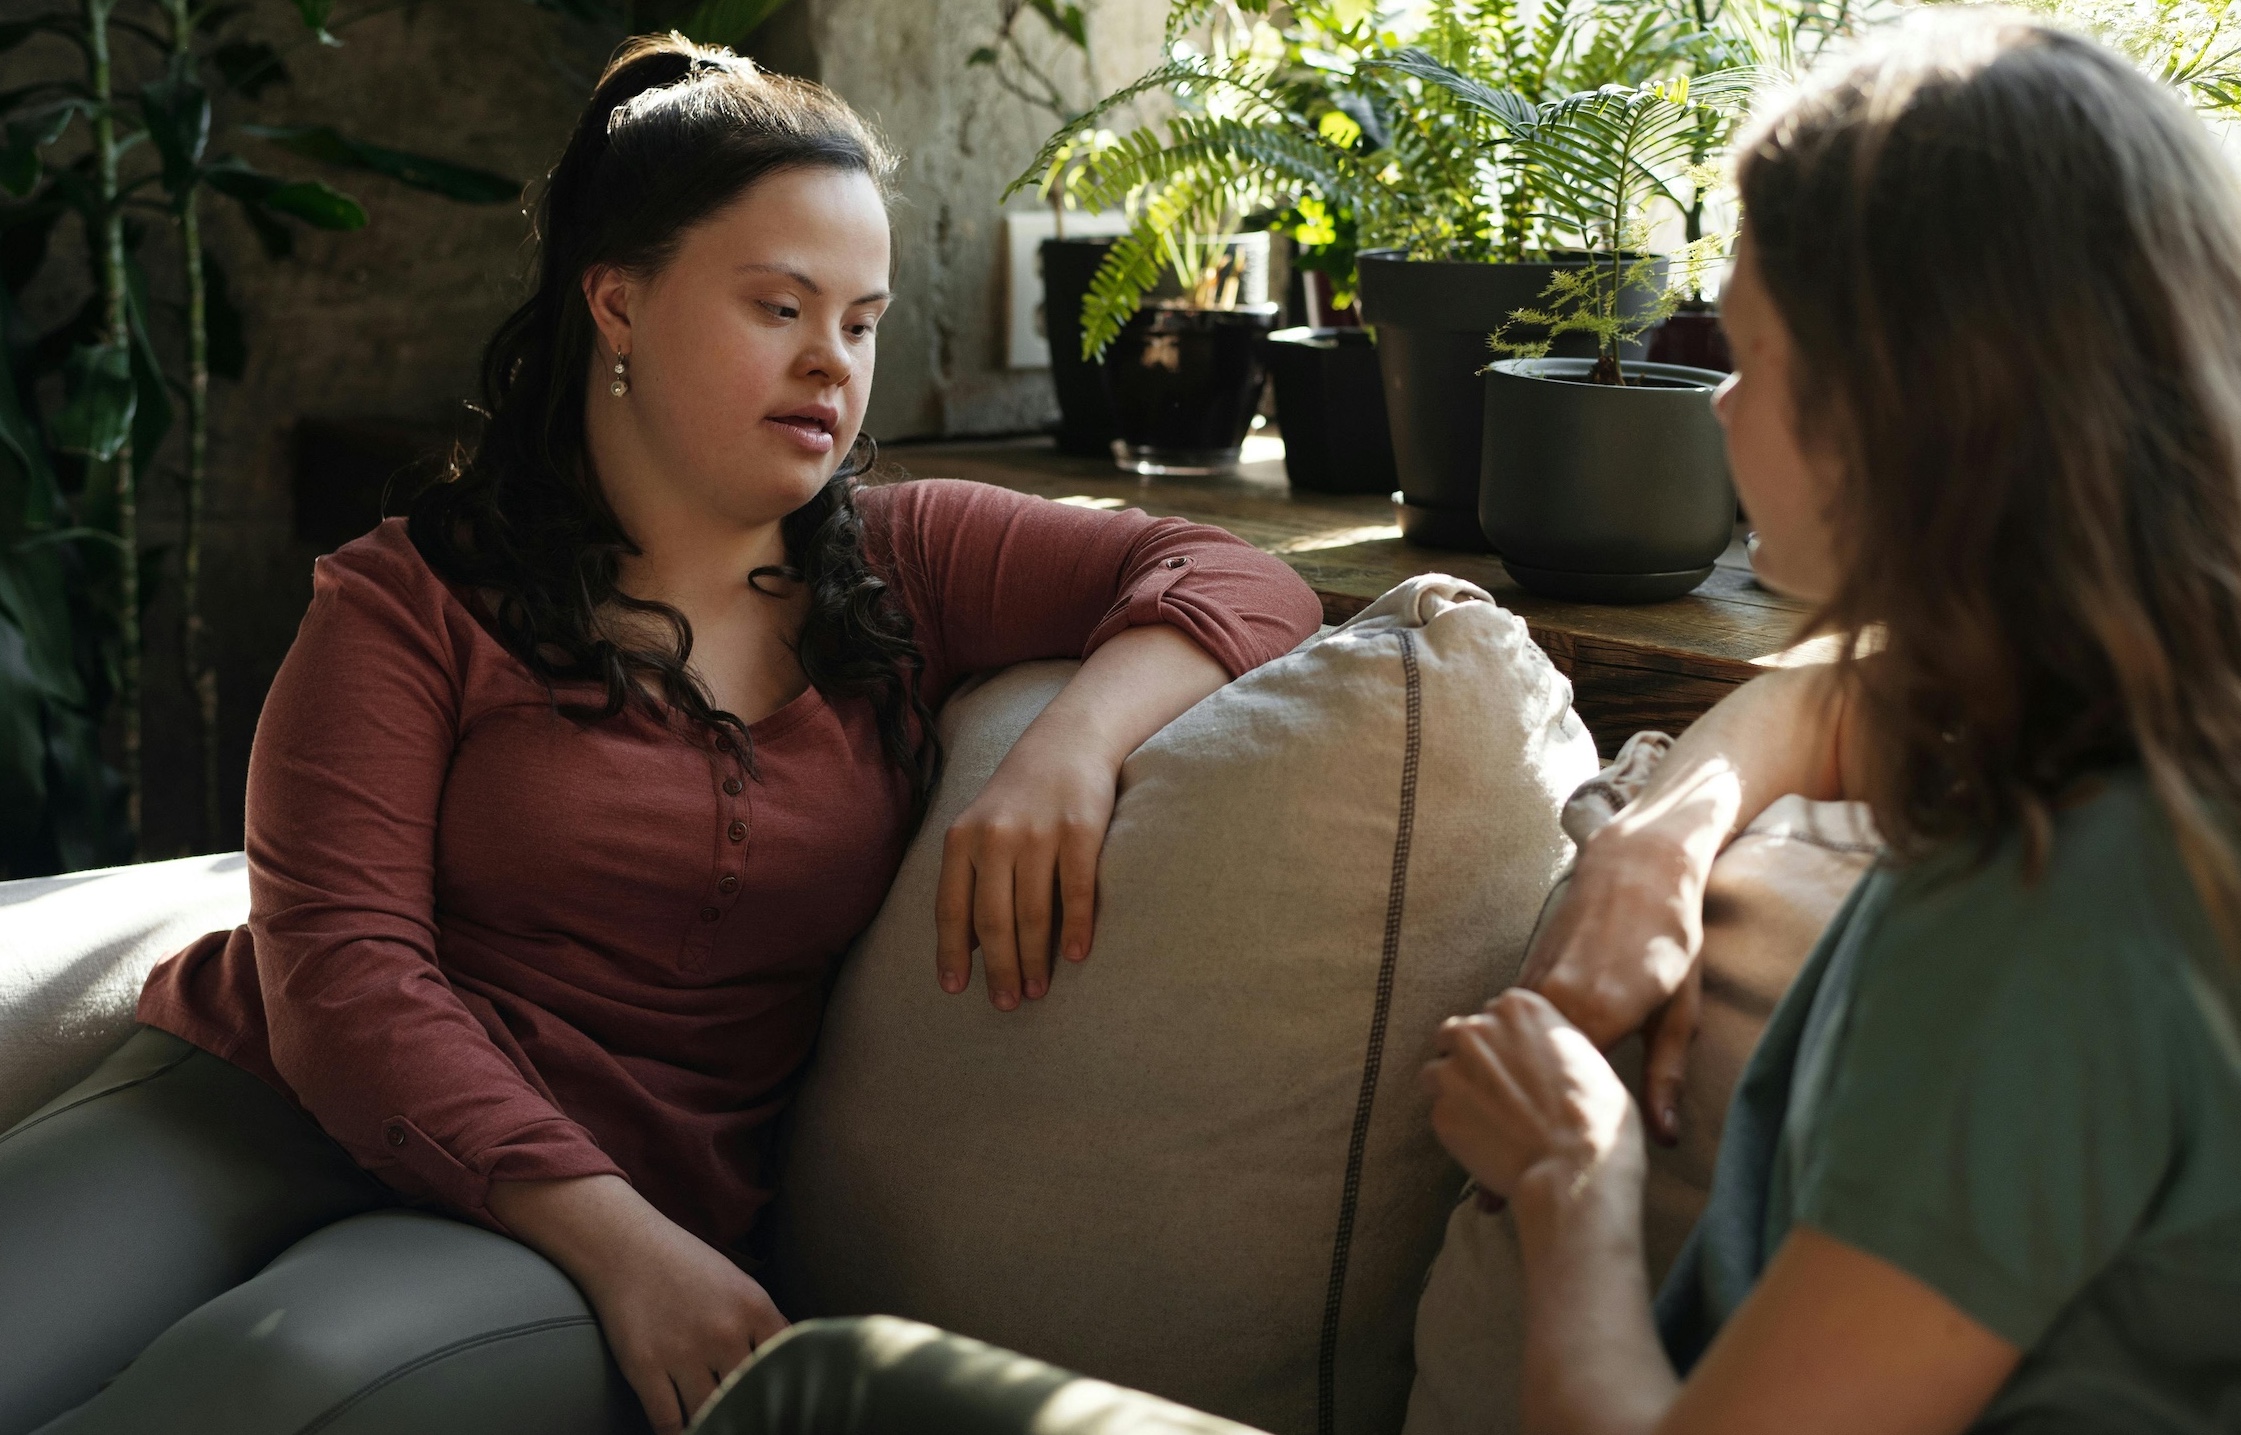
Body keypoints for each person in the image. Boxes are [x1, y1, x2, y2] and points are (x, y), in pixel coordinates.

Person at [0, 34, 1319, 1435]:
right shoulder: (410, 595)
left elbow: (1243, 578)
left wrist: (1071, 746)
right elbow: (343, 977)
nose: (831, 362)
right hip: (244, 1106)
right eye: (779, 306)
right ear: (618, 303)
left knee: (270, 1388)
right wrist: (626, 1246)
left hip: (574, 1224)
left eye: (862, 322)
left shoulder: (907, 558)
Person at [1424, 11, 2241, 1435]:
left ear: (1902, 414)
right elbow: (1847, 703)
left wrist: (1573, 1176)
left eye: (1750, 354)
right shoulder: (2197, 743)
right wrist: (1664, 831)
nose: (1721, 410)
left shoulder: (2053, 934)